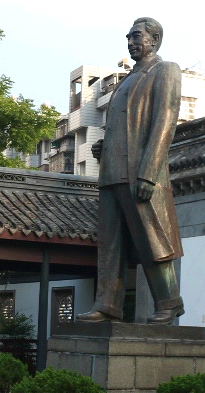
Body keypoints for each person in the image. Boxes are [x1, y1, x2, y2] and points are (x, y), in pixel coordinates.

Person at [75, 17, 186, 325]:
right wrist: (105, 149)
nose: (131, 42)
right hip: (111, 172)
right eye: (129, 37)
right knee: (110, 245)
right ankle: (107, 304)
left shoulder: (165, 70)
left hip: (140, 171)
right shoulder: (126, 79)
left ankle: (169, 302)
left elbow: (165, 121)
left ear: (155, 39)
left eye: (137, 36)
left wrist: (149, 172)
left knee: (151, 238)